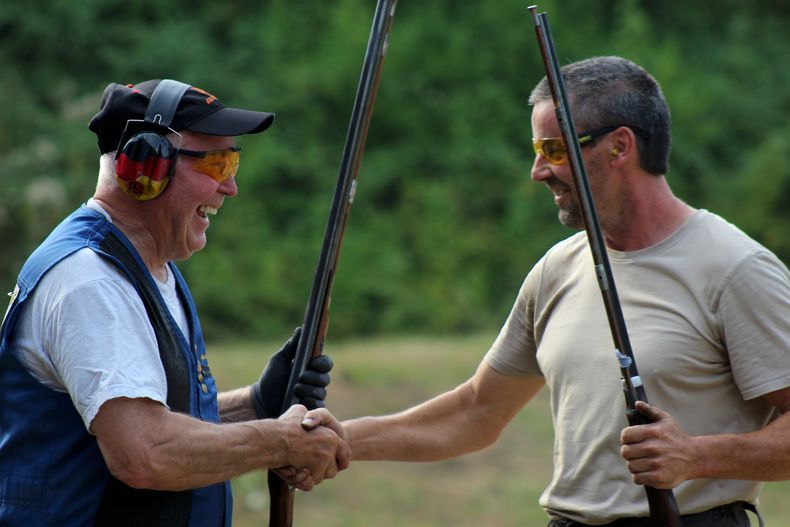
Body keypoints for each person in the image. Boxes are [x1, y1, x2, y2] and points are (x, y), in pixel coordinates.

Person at [306, 56, 790, 526]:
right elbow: (477, 411)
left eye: (554, 151)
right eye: (537, 152)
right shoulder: (558, 268)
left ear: (620, 147)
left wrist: (695, 456)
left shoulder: (735, 269)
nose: (537, 172)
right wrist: (339, 438)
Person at [0, 79, 350, 526]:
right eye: (218, 164)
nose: (231, 187)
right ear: (145, 165)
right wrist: (279, 441)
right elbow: (144, 452)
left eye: (233, 161)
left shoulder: (147, 268)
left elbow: (151, 419)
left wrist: (255, 405)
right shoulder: (91, 280)